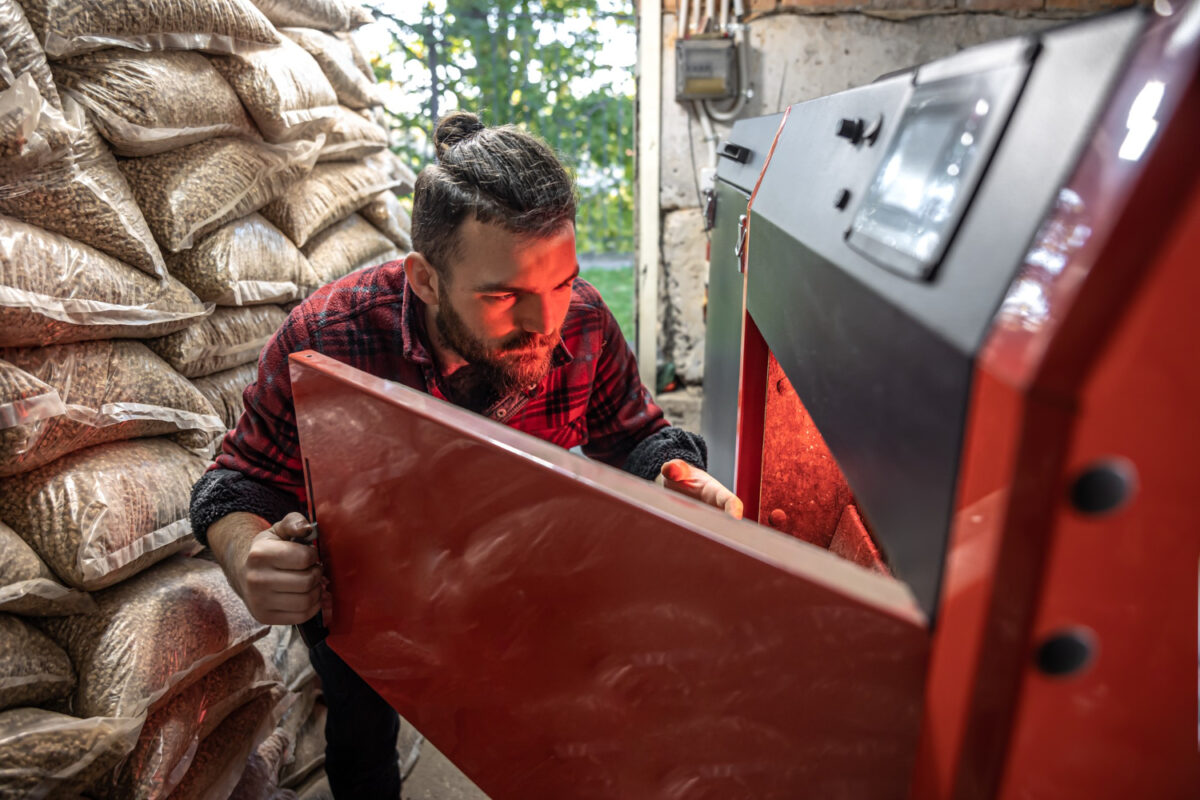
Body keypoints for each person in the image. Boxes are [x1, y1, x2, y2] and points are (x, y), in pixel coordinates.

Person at [188, 111, 742, 799]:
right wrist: (247, 557)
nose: (546, 329)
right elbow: (235, 483)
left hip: (520, 576)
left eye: (562, 284)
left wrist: (670, 474)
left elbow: (636, 436)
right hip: (367, 592)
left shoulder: (587, 321)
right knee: (360, 741)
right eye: (504, 298)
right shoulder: (328, 338)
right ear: (423, 279)